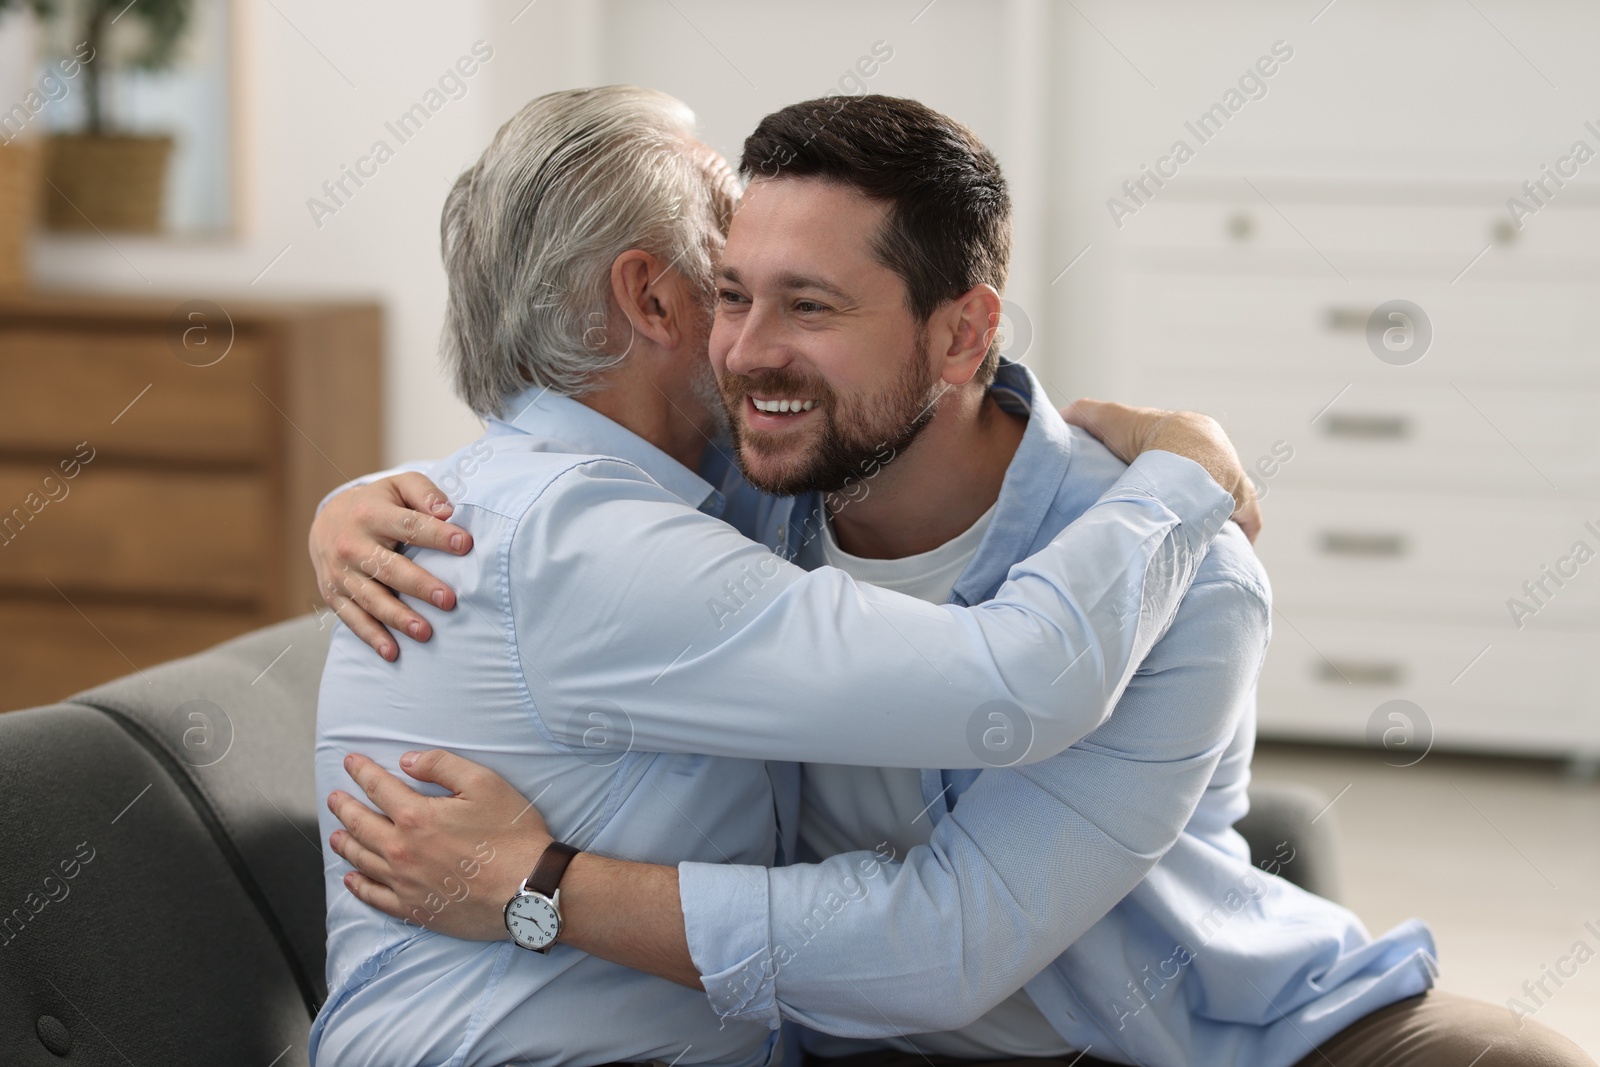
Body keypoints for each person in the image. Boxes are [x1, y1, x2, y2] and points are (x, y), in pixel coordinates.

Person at [318, 93, 1594, 1066]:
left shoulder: (1173, 571)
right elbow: (552, 546)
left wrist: (541, 887)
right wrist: (337, 510)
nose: (749, 349)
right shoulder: (731, 504)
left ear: (963, 332)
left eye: (806, 305)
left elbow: (949, 935)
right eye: (728, 294)